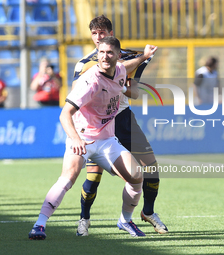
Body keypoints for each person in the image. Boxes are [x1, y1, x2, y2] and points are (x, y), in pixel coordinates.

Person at [29, 36, 146, 240]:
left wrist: (144, 56)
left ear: (118, 55)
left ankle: (125, 220)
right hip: (83, 139)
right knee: (68, 178)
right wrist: (75, 139)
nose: (104, 56)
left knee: (137, 177)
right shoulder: (89, 81)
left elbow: (129, 65)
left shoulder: (119, 70)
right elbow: (65, 114)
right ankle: (39, 224)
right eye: (101, 52)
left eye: (109, 52)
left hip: (107, 141)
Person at [73, 15, 168, 237]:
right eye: (95, 34)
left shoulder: (130, 57)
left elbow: (133, 91)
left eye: (102, 33)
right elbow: (77, 90)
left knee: (151, 168)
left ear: (111, 34)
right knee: (93, 177)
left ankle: (148, 212)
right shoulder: (85, 63)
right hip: (97, 122)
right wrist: (142, 56)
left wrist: (121, 84)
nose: (98, 37)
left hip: (123, 118)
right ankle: (84, 219)